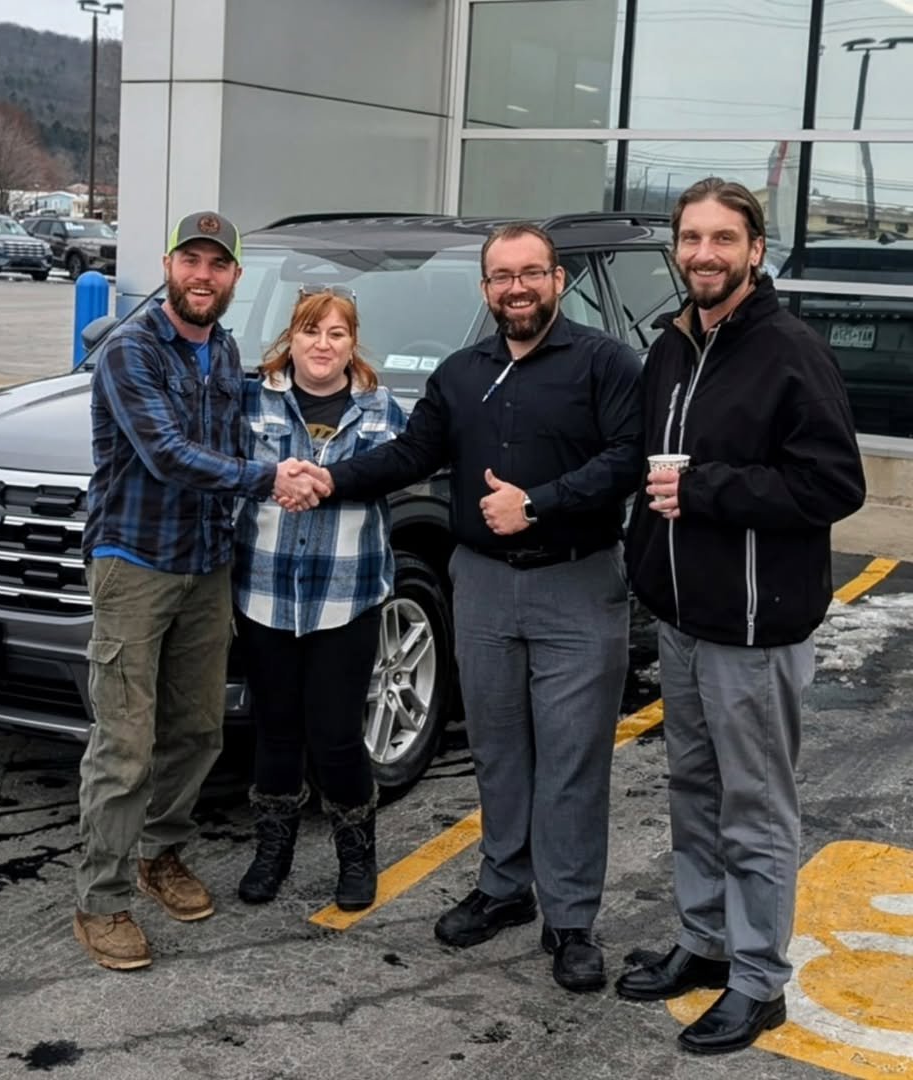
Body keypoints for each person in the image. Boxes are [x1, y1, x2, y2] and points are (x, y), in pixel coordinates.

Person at [286, 224, 643, 991]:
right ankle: (505, 887)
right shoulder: (458, 374)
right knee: (498, 748)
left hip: (577, 585)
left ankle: (572, 920)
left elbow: (627, 460)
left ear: (557, 281)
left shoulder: (605, 364)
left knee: (574, 760)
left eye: (531, 274)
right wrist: (329, 479)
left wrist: (539, 504)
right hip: (479, 584)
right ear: (486, 290)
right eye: (501, 276)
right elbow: (412, 456)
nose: (516, 288)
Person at [619, 178, 866, 1052]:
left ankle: (759, 981)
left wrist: (706, 489)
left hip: (755, 634)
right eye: (691, 238)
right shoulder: (675, 345)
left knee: (755, 809)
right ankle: (706, 941)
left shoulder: (790, 351)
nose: (704, 254)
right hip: (684, 622)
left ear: (756, 251)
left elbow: (836, 484)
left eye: (724, 239)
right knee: (693, 791)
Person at [74, 211, 323, 971]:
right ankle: (102, 899)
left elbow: (238, 441)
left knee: (197, 731)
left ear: (234, 278)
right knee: (124, 747)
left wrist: (311, 450)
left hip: (205, 565)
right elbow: (168, 455)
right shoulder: (130, 351)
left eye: (218, 265)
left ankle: (161, 855)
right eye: (191, 261)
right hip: (134, 565)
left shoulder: (225, 352)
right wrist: (270, 479)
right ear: (168, 265)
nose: (203, 276)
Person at [231, 287, 407, 911]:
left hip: (347, 595)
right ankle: (271, 850)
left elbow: (392, 472)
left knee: (335, 735)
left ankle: (356, 855)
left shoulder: (384, 410)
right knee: (275, 732)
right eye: (311, 331)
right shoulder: (253, 400)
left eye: (336, 334)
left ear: (353, 343)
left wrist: (320, 487)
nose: (323, 345)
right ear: (291, 338)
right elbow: (231, 474)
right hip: (266, 593)